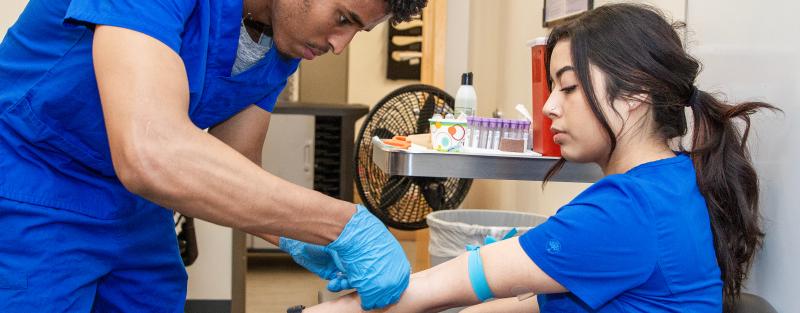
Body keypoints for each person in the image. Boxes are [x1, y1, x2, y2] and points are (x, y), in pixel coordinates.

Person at [304, 3, 777, 312]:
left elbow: (443, 290)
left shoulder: (628, 209)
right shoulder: (670, 181)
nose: (549, 106)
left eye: (568, 87)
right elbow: (525, 300)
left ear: (636, 92)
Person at [0, 0, 427, 311]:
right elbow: (151, 152)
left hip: (135, 207)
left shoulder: (278, 44)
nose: (340, 45)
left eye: (358, 31)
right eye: (342, 19)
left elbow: (237, 161)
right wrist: (341, 226)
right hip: (32, 183)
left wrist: (294, 234)